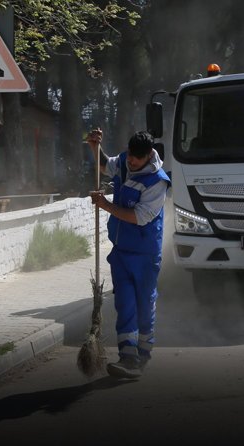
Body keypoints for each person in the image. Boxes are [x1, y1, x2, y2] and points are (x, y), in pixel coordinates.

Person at [86, 129, 171, 379]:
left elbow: (138, 217)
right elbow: (104, 166)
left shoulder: (157, 181)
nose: (131, 161)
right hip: (121, 250)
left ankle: (144, 351)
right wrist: (95, 146)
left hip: (145, 253)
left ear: (149, 156)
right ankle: (128, 357)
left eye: (136, 158)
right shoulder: (125, 160)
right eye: (130, 155)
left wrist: (106, 206)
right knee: (125, 302)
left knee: (144, 302)